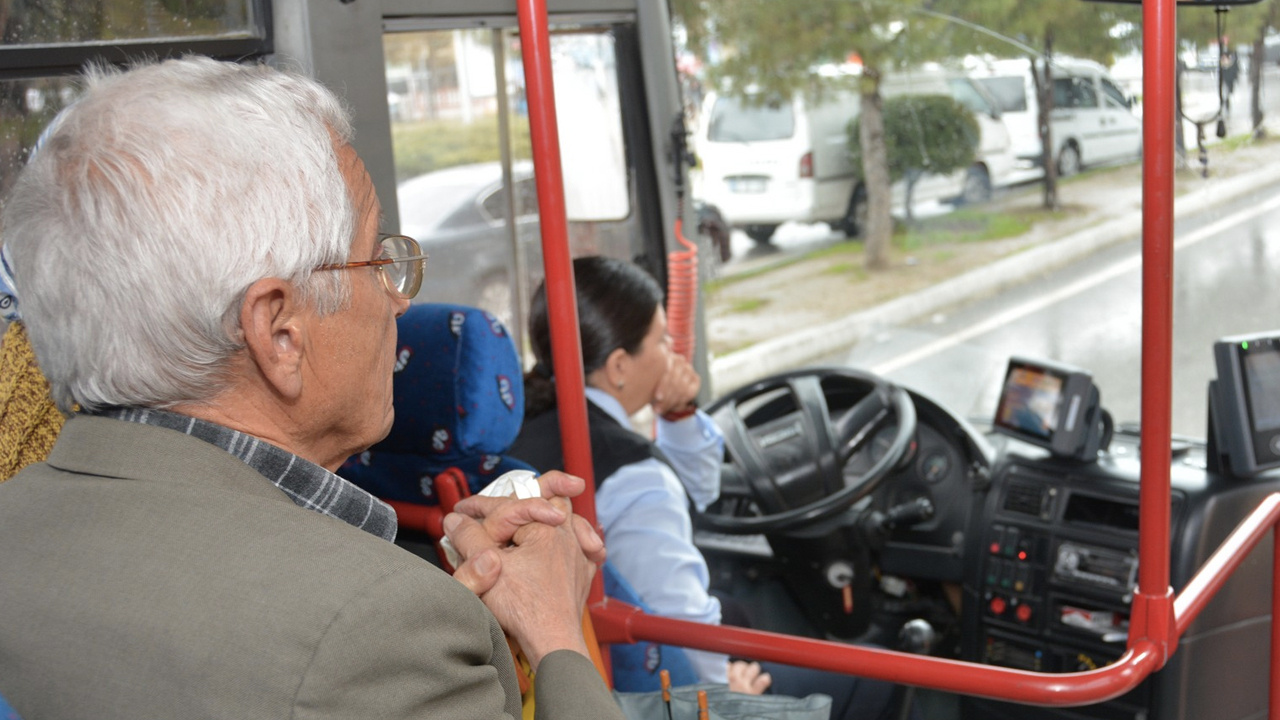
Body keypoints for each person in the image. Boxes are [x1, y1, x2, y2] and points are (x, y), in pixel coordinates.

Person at [0, 57, 623, 720]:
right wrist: (556, 636)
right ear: (279, 334)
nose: (400, 302)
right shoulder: (374, 628)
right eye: (377, 261)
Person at [509, 256, 907, 719]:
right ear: (619, 366)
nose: (673, 353)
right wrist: (728, 696)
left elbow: (695, 492)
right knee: (876, 679)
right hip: (658, 688)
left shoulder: (520, 427)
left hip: (568, 666)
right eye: (661, 340)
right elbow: (682, 624)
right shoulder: (635, 477)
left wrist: (678, 414)